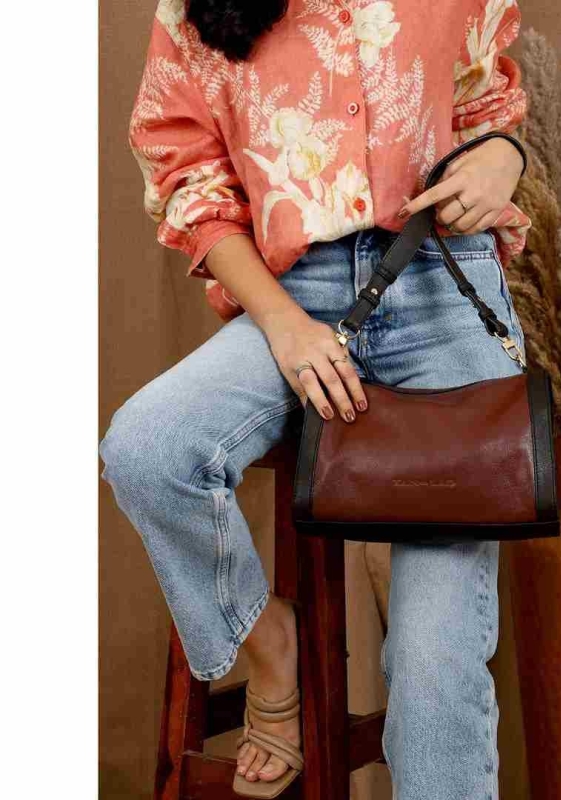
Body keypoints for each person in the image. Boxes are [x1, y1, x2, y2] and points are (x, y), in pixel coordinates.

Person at [100, 0, 532, 797]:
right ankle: (273, 645)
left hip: (442, 282)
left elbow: (484, 105)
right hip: (292, 291)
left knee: (435, 665)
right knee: (150, 448)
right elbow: (187, 176)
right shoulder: (191, 8)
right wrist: (284, 325)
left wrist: (503, 157)